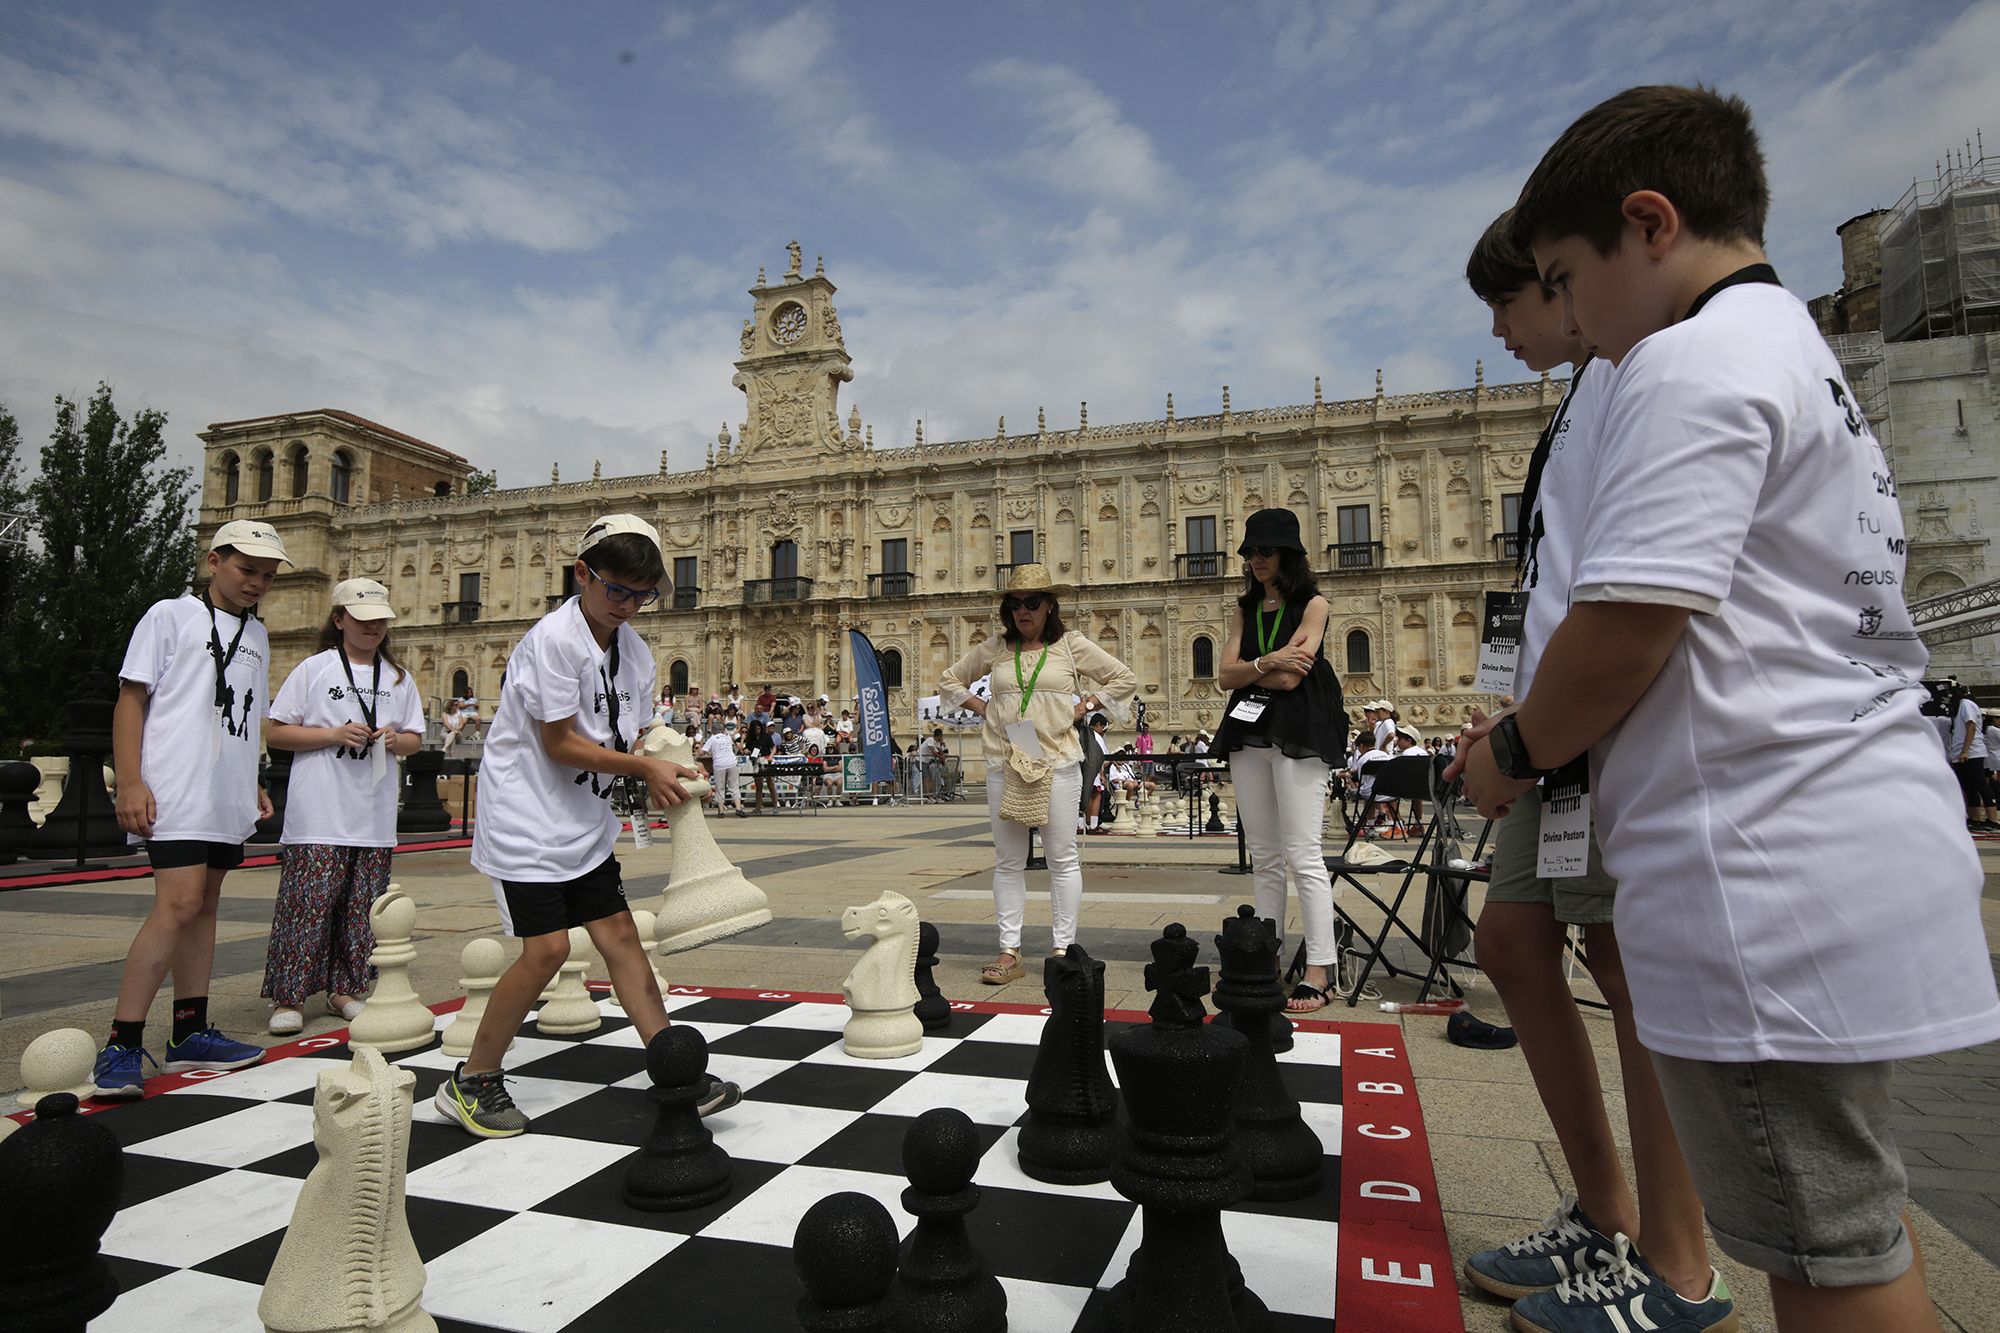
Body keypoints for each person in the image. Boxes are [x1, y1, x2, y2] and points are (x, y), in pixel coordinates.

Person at [1458, 85, 2000, 1332]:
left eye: (1557, 276)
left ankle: (1666, 1265)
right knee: (1840, 1229)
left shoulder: (1690, 362)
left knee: (1821, 1257)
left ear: (1647, 225)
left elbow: (1627, 627)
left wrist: (1508, 749)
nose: (1567, 316)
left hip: (1765, 865)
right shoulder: (1786, 354)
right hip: (1825, 837)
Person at [1451, 206, 1727, 1330]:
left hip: (1600, 719)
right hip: (1545, 715)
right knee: (1510, 939)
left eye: (1516, 299)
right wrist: (1511, 709)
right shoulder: (1579, 398)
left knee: (1622, 962)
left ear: (1566, 285)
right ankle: (1602, 1209)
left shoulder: (1642, 373)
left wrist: (1536, 727)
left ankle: (1676, 1260)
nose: (1503, 331)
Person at [441, 515, 743, 1137]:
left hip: (583, 818)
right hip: (527, 818)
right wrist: (641, 765)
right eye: (618, 591)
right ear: (582, 573)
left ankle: (670, 1067)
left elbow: (627, 733)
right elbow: (559, 743)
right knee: (548, 949)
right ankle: (472, 1078)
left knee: (622, 937)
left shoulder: (634, 650)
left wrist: (669, 766)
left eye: (644, 594)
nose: (630, 607)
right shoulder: (553, 641)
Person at [95, 520, 290, 1098]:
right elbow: (132, 699)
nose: (256, 583)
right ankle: (123, 1041)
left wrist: (251, 779)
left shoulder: (257, 634)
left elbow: (248, 714)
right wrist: (129, 781)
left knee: (204, 906)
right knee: (176, 904)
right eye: (246, 570)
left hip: (224, 790)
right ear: (214, 561)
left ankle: (190, 1029)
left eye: (267, 575)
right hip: (176, 786)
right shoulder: (169, 615)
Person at [939, 563, 1137, 984]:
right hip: (1005, 758)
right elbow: (951, 679)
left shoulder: (1070, 645)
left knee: (1061, 857)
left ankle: (1063, 947)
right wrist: (983, 707)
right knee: (1008, 859)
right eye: (1015, 604)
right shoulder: (996, 647)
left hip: (1057, 759)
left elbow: (1123, 677)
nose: (1022, 612)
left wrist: (1085, 706)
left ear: (1050, 606)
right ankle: (1009, 950)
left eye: (1032, 603)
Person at [260, 579, 427, 1034]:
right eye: (362, 618)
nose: (373, 626)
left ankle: (346, 988)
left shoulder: (397, 677)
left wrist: (395, 741)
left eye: (380, 620)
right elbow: (276, 731)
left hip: (372, 813)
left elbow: (414, 737)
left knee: (361, 907)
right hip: (320, 810)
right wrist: (333, 734)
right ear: (339, 621)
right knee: (308, 903)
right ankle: (289, 994)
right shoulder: (315, 669)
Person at [1211, 509, 1346, 1012]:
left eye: (1264, 550)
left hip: (1300, 730)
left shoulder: (1314, 604)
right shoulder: (1245, 609)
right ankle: (1264, 958)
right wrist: (1268, 661)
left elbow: (1295, 679)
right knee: (1264, 854)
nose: (1255, 559)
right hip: (1250, 730)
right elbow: (1224, 676)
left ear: (1287, 553)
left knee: (1303, 853)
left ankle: (1320, 967)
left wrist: (1253, 670)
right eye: (1249, 552)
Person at [1946, 684, 1991, 831]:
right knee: (1968, 787)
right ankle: (1975, 817)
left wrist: (1965, 750)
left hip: (1971, 752)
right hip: (1959, 752)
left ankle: (1992, 819)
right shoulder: (1957, 707)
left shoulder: (1966, 704)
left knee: (1980, 785)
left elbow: (1970, 726)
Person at [703, 722, 747, 817]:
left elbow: (703, 752)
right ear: (723, 730)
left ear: (713, 731)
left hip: (719, 764)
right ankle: (738, 808)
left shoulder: (712, 739)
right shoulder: (727, 737)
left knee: (720, 788)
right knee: (734, 786)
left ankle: (721, 811)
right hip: (731, 762)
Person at [743, 717, 778, 813]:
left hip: (766, 759)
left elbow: (773, 747)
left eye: (758, 729)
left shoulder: (766, 736)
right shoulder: (750, 739)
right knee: (759, 786)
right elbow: (747, 749)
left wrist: (771, 756)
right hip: (756, 761)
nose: (757, 731)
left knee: (770, 783)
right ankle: (758, 808)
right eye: (755, 729)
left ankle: (775, 806)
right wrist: (744, 748)